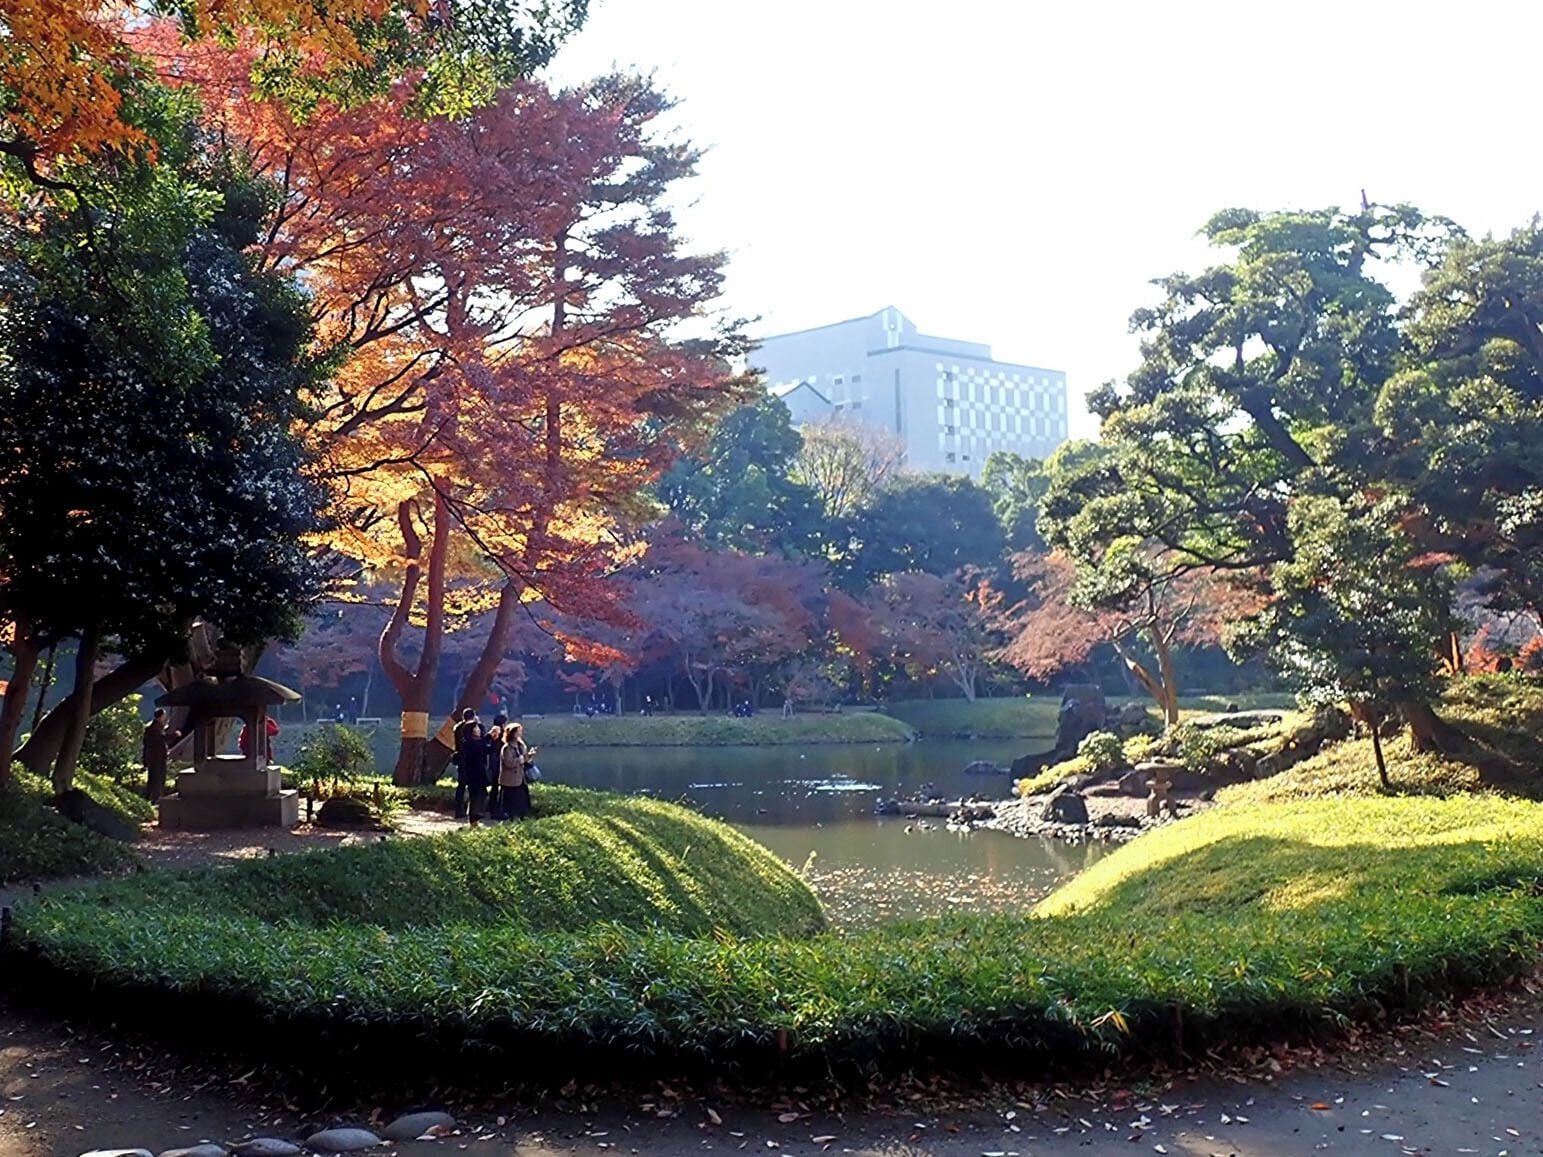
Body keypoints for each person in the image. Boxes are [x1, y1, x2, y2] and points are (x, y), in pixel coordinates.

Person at [141, 708, 179, 801]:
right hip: (157, 757)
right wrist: (175, 735)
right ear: (161, 716)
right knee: (157, 779)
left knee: (153, 778)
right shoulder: (155, 728)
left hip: (153, 757)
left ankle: (150, 798)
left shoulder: (153, 727)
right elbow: (161, 739)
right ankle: (155, 798)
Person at [498, 722, 534, 820]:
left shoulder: (521, 745)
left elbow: (524, 759)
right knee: (511, 802)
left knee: (522, 800)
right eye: (518, 731)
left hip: (520, 778)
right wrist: (521, 759)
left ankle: (522, 817)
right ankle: (511, 818)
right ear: (512, 733)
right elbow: (509, 763)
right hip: (510, 780)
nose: (520, 733)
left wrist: (529, 756)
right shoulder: (506, 748)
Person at [459, 721, 492, 826]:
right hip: (473, 774)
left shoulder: (478, 741)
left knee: (481, 795)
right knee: (475, 796)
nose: (479, 729)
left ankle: (476, 819)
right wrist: (489, 737)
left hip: (480, 773)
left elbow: (488, 750)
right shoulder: (468, 742)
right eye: (476, 727)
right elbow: (479, 748)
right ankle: (473, 820)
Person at [451, 707, 477, 818]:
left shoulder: (457, 727)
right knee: (472, 785)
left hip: (460, 757)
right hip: (470, 758)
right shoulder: (471, 727)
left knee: (461, 785)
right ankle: (471, 809)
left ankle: (458, 809)